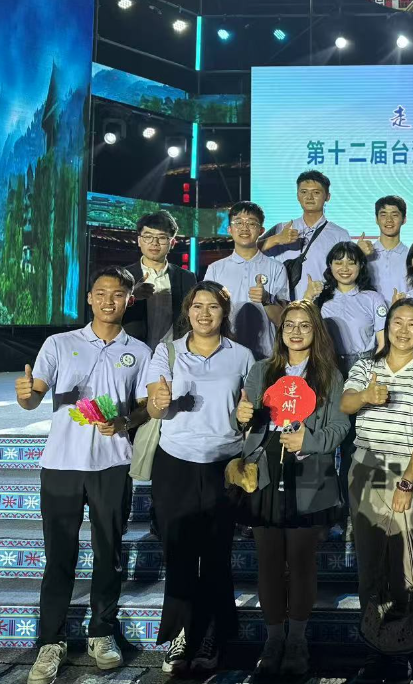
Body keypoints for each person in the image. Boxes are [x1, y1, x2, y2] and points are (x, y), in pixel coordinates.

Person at [16, 267, 152, 684]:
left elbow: (145, 406)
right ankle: (50, 641)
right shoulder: (60, 344)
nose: (109, 300)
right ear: (89, 298)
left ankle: (101, 633)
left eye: (118, 294)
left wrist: (126, 422)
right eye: (101, 292)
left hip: (112, 464)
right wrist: (27, 397)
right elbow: (34, 395)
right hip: (62, 463)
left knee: (109, 552)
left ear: (129, 300)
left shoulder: (139, 351)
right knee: (60, 555)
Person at [144, 282, 254, 674]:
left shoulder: (242, 355)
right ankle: (180, 635)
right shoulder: (168, 351)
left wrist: (248, 415)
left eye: (213, 307)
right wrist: (159, 401)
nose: (204, 313)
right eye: (197, 306)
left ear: (224, 313)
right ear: (187, 311)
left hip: (223, 465)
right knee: (179, 554)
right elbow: (154, 407)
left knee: (216, 556)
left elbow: (250, 409)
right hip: (175, 463)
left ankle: (212, 634)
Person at [237, 299, 348, 678]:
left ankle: (297, 640)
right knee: (268, 560)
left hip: (310, 473)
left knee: (301, 560)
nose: (296, 332)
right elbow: (244, 420)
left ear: (316, 331)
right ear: (280, 331)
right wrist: (242, 416)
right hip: (265, 473)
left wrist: (310, 441)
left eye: (304, 325)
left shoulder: (329, 375)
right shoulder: (261, 370)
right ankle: (273, 640)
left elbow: (340, 427)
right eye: (289, 325)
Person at [341, 297, 413, 684]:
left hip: (408, 471)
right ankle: (376, 647)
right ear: (387, 328)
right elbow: (345, 403)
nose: (404, 330)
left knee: (403, 566)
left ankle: (403, 650)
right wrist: (366, 397)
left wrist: (407, 482)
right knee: (370, 566)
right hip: (366, 468)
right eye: (397, 322)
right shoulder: (365, 366)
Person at [203, 201, 290, 360]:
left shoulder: (277, 268)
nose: (244, 228)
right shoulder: (215, 269)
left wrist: (266, 299)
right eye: (238, 223)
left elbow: (282, 321)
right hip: (224, 354)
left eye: (251, 223)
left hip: (266, 356)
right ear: (229, 229)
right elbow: (207, 315)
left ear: (261, 230)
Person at [260, 170, 352, 301]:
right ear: (297, 196)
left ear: (327, 196)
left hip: (323, 305)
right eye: (304, 192)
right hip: (283, 307)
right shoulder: (281, 228)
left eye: (316, 192)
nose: (309, 197)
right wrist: (277, 239)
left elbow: (347, 276)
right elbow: (248, 253)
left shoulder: (339, 234)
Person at [307, 241, 389, 374]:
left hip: (365, 366)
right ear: (330, 265)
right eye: (338, 263)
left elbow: (383, 343)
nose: (345, 268)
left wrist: (374, 370)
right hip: (328, 366)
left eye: (351, 263)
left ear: (361, 265)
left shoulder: (373, 298)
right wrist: (308, 297)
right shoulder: (320, 298)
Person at [122, 210, 197, 350]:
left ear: (172, 242)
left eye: (162, 237)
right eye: (148, 237)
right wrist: (131, 296)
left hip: (174, 352)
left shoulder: (186, 278)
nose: (154, 243)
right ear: (139, 241)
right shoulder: (123, 276)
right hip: (132, 351)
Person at [361, 196, 410, 304]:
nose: (389, 220)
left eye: (394, 215)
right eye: (383, 215)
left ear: (404, 219)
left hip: (401, 313)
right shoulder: (364, 254)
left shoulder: (412, 256)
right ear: (376, 219)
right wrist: (358, 255)